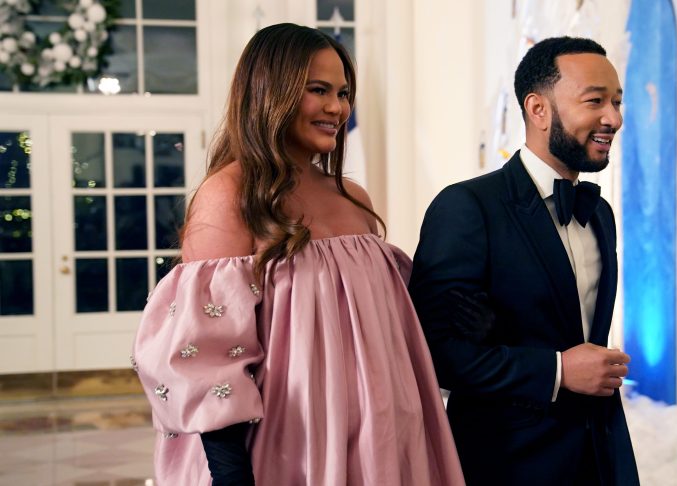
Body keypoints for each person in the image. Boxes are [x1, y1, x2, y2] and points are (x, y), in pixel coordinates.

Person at [132, 23, 464, 486]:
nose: (337, 107)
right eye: (318, 90)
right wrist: (231, 473)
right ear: (272, 92)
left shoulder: (355, 198)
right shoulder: (230, 196)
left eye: (344, 92)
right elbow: (204, 350)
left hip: (383, 441)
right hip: (289, 449)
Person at [409, 36, 639, 485]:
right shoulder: (466, 207)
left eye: (616, 101)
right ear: (538, 109)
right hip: (507, 464)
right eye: (595, 101)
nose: (613, 118)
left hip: (600, 455)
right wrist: (557, 370)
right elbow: (435, 352)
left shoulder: (601, 214)